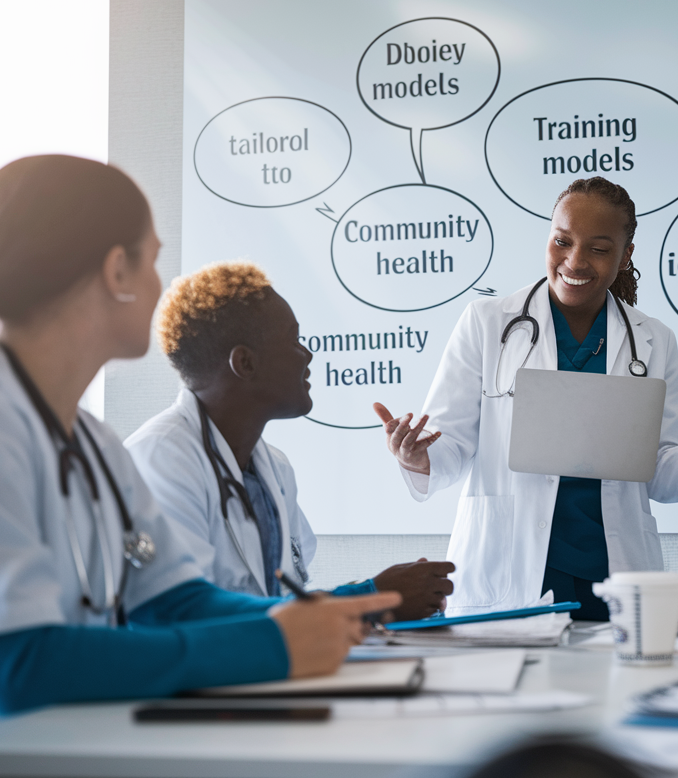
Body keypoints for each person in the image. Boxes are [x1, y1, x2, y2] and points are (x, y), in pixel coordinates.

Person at [0, 156, 397, 720]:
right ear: (118, 271)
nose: (159, 284)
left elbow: (173, 601)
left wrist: (323, 618)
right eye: (154, 260)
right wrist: (270, 646)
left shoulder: (91, 443)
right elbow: (19, 666)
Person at [374, 176, 678, 619]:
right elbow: (448, 445)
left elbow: (660, 474)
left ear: (626, 256)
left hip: (612, 572)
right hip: (512, 567)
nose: (575, 260)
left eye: (599, 249)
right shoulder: (487, 323)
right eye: (562, 241)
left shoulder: (654, 340)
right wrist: (415, 456)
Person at [126, 261, 454, 620]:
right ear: (245, 363)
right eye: (293, 339)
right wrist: (372, 600)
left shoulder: (274, 468)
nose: (308, 354)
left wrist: (394, 602)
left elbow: (283, 600)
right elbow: (185, 614)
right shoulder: (159, 459)